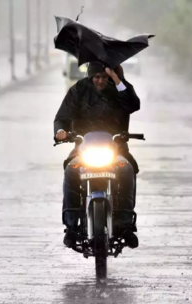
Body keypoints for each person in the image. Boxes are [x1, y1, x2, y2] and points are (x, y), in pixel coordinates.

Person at [54, 61, 141, 249]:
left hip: (116, 149)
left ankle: (126, 224)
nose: (100, 81)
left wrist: (117, 78)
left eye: (104, 77)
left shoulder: (119, 88)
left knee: (126, 169)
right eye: (97, 77)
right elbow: (63, 116)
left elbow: (134, 104)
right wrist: (61, 130)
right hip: (83, 148)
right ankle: (71, 225)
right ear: (90, 77)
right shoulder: (78, 90)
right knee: (71, 170)